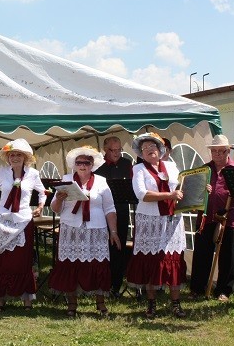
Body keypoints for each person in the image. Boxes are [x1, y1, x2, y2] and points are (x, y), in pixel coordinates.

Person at [48, 145, 121, 317]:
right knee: (70, 265)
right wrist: (58, 199)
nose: (83, 166)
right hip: (71, 228)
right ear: (75, 164)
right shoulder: (66, 179)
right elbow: (55, 209)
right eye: (79, 162)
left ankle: (100, 303)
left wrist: (114, 232)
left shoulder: (101, 181)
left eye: (86, 163)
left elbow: (110, 208)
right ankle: (72, 304)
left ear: (92, 165)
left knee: (98, 265)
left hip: (96, 229)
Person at [126, 133, 187, 318]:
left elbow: (181, 188)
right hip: (150, 220)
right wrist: (169, 196)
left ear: (160, 150)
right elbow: (142, 194)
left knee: (173, 260)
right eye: (145, 148)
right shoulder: (138, 169)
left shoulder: (171, 166)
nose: (150, 149)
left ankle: (176, 304)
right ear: (141, 153)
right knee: (151, 263)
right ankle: (151, 304)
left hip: (172, 219)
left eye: (153, 146)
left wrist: (199, 188)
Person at [0, 139, 46, 311]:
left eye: (19, 154)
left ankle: (26, 299)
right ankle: (0, 298)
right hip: (1, 219)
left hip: (23, 221)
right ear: (8, 157)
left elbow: (43, 192)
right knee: (1, 260)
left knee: (21, 261)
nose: (15, 157)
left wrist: (40, 206)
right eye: (12, 155)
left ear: (25, 157)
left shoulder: (33, 174)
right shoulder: (2, 172)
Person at [189, 135, 234, 301]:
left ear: (227, 151)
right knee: (201, 254)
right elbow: (194, 194)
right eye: (214, 151)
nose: (217, 154)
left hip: (229, 218)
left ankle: (224, 291)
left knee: (227, 255)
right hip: (206, 217)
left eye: (220, 151)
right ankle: (197, 288)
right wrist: (202, 190)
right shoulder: (205, 169)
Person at [94, 136, 133, 298]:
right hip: (102, 213)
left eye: (119, 150)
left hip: (122, 211)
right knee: (102, 247)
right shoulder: (97, 166)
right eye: (112, 150)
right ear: (105, 149)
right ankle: (100, 283)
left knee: (118, 247)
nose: (116, 153)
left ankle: (115, 286)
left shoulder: (126, 164)